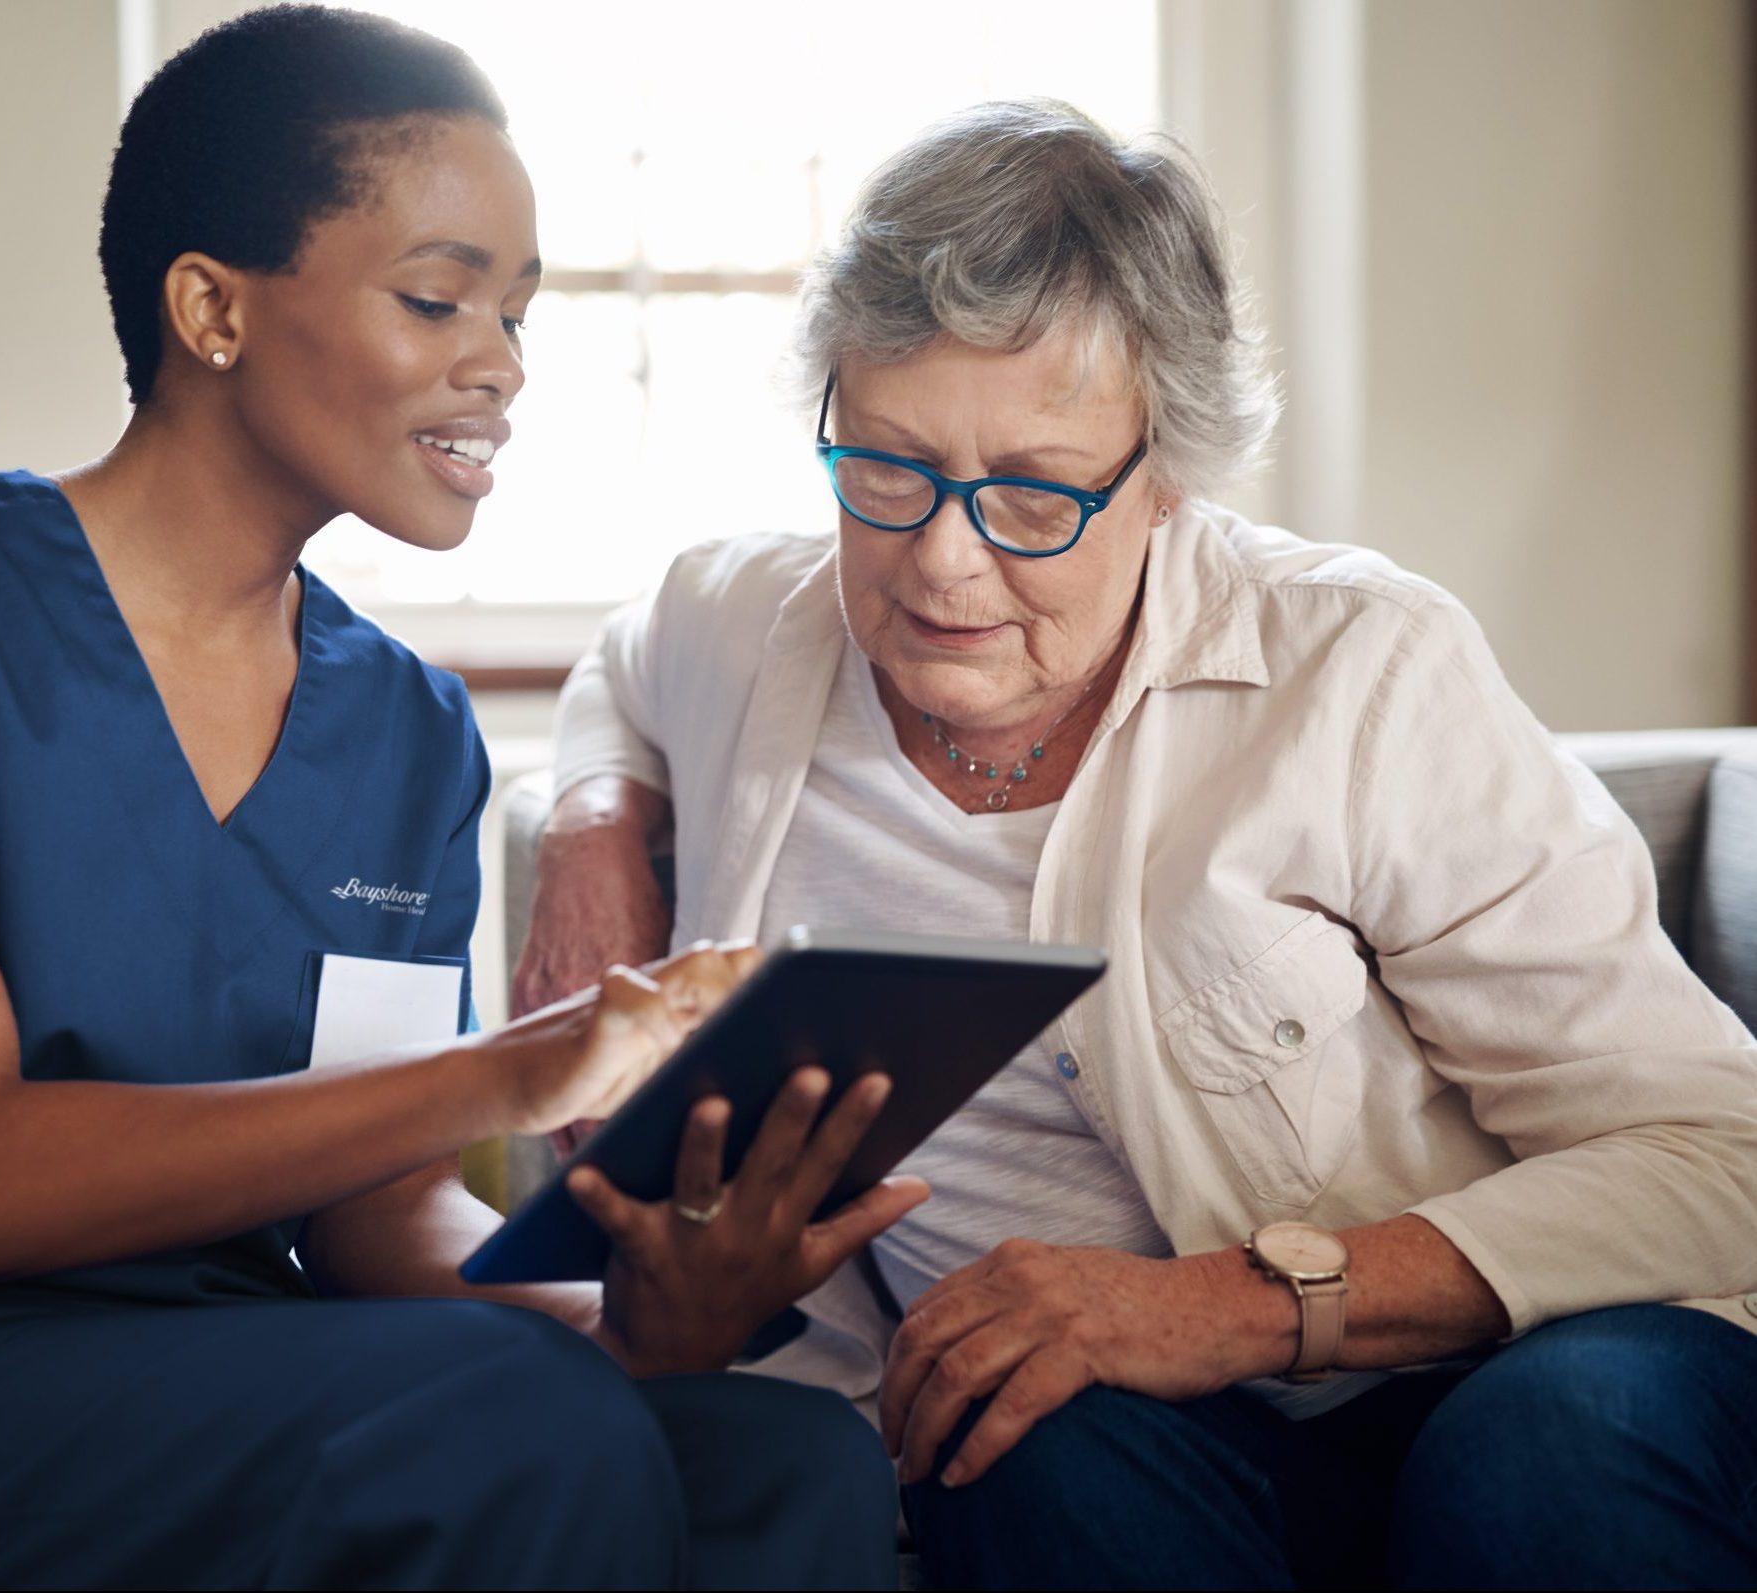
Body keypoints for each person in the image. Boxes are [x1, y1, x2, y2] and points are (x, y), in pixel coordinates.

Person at [0, 10, 926, 1589]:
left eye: (520, 315)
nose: (502, 366)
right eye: (437, 297)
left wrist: (626, 1322)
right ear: (209, 306)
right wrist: (523, 1067)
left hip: (205, 1380)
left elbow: (376, 1223)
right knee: (513, 1422)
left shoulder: (406, 726)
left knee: (790, 1463)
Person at [519, 98, 1757, 1590]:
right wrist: (595, 824)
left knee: (1540, 1454)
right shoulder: (746, 624)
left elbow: (1716, 1151)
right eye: (889, 469)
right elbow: (627, 664)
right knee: (991, 1416)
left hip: (1501, 1369)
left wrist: (1224, 1303)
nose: (942, 561)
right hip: (1150, 1441)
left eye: (1033, 494)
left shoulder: (1356, 670)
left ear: (1164, 471)